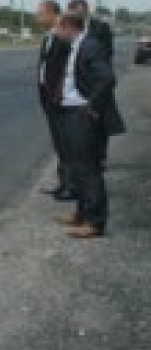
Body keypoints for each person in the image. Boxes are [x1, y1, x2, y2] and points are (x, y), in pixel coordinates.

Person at [48, 12, 126, 239]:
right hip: (71, 111)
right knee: (76, 166)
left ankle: (95, 222)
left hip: (83, 114)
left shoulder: (90, 46)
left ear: (67, 26)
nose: (55, 32)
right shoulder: (76, 45)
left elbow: (107, 78)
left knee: (87, 168)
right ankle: (82, 213)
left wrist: (92, 106)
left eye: (57, 28)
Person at [67, 0, 115, 168]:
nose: (77, 14)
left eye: (80, 11)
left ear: (86, 11)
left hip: (97, 82)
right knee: (80, 125)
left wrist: (98, 75)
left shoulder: (100, 27)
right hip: (77, 84)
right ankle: (83, 159)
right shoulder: (68, 28)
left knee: (100, 122)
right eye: (73, 11)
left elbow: (108, 53)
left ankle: (100, 157)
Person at [34, 0, 74, 201]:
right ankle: (64, 183)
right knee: (59, 143)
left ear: (52, 13)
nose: (37, 17)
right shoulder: (49, 35)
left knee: (66, 143)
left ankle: (71, 186)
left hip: (60, 98)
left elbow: (67, 68)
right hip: (48, 96)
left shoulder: (63, 36)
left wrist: (59, 94)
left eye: (40, 13)